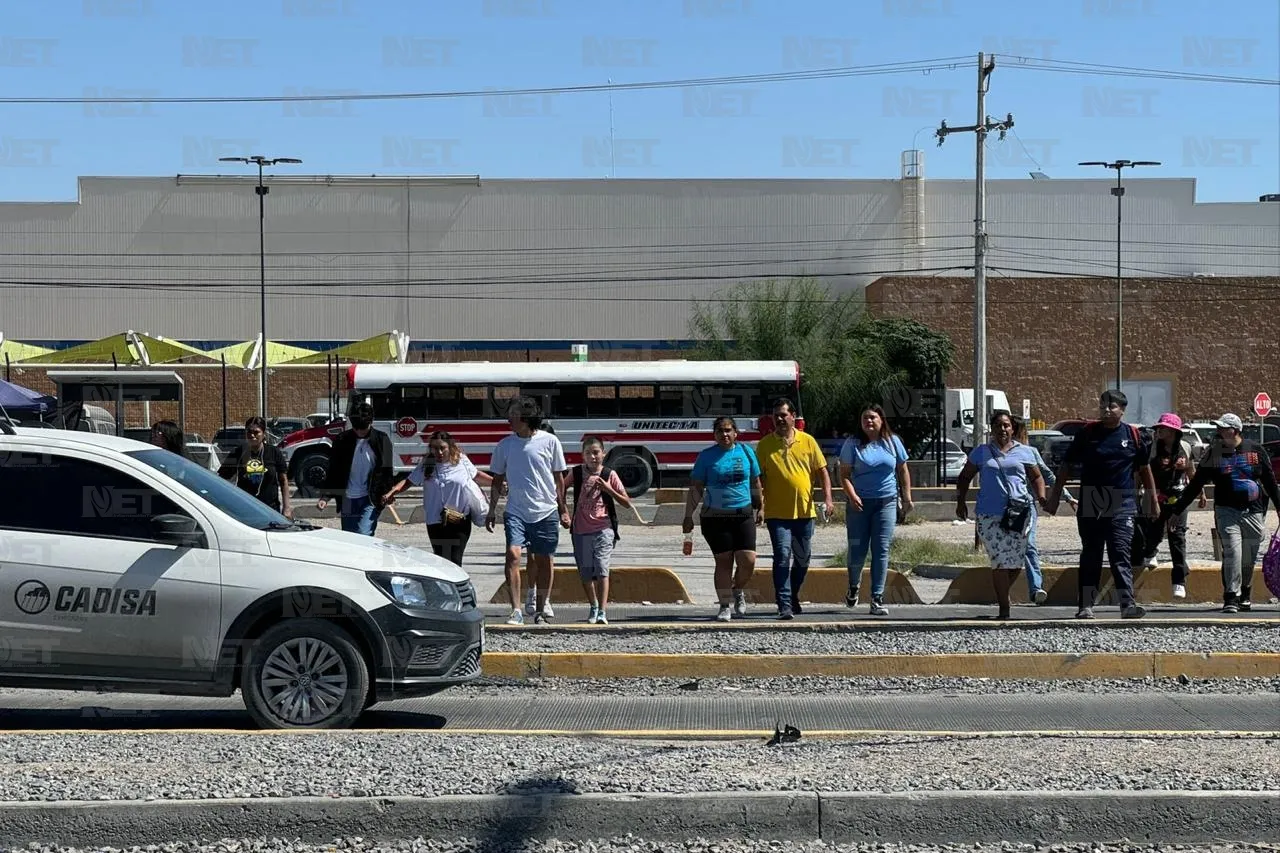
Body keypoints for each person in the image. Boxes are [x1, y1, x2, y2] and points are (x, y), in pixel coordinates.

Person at [1045, 390, 1158, 620]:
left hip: (1122, 502)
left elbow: (1145, 470)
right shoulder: (1087, 434)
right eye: (1103, 406)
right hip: (1092, 501)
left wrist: (1153, 500)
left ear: (1122, 410)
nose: (1106, 410)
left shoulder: (1133, 435)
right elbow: (1066, 466)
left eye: (1112, 407)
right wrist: (1055, 497)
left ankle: (1127, 604)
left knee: (1120, 553)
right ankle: (1085, 605)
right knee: (1091, 555)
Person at [1162, 413, 1280, 613]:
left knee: (1248, 557)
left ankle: (1245, 592)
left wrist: (1279, 506)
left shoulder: (1256, 451)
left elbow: (1269, 481)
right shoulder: (1213, 454)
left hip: (1254, 511)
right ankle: (1230, 597)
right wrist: (1177, 510)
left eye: (1222, 428)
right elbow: (1196, 484)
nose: (1218, 431)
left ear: (1234, 431)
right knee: (1233, 552)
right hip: (1227, 511)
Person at [486, 397, 570, 625]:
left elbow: (559, 479)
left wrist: (563, 509)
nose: (509, 418)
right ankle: (516, 610)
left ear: (526, 417)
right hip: (516, 511)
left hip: (545, 511)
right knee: (513, 556)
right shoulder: (505, 445)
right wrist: (492, 509)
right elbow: (496, 480)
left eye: (513, 414)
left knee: (544, 560)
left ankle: (542, 608)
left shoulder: (550, 441)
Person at [955, 411, 1046, 619]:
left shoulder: (1025, 452)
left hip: (1019, 512)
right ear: (992, 429)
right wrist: (960, 502)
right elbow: (964, 477)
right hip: (989, 514)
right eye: (998, 425)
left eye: (1006, 425)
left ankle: (1001, 595)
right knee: (999, 560)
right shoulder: (982, 452)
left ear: (1012, 429)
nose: (1002, 429)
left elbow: (1037, 477)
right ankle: (1004, 608)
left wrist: (1041, 498)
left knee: (1015, 562)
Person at [757, 397, 833, 620]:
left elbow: (822, 472)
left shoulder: (808, 441)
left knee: (802, 559)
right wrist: (759, 505)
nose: (779, 419)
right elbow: (758, 479)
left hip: (804, 513)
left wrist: (828, 499)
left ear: (793, 417)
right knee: (782, 555)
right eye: (776, 415)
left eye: (783, 415)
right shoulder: (764, 445)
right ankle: (784, 603)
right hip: (776, 514)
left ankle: (793, 595)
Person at [683, 416, 763, 622]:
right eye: (720, 431)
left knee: (748, 560)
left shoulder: (746, 452)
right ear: (715, 435)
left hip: (742, 513)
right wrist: (688, 515)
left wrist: (761, 506)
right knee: (724, 562)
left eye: (728, 430)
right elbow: (696, 488)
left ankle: (738, 590)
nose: (724, 434)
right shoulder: (706, 457)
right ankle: (725, 605)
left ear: (735, 432)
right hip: (715, 516)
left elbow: (755, 481)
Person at [838, 405, 912, 617]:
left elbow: (903, 469)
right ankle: (853, 586)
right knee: (857, 551)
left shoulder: (892, 442)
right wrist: (852, 496)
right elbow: (843, 475)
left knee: (881, 549)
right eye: (864, 418)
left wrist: (907, 496)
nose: (868, 421)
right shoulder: (853, 444)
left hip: (886, 502)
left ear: (881, 419)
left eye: (872, 417)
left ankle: (877, 598)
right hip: (859, 504)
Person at [382, 431, 491, 565]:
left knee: (455, 560)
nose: (439, 452)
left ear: (450, 447)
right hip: (435, 521)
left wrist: (497, 483)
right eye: (434, 448)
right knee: (441, 561)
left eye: (442, 448)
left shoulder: (461, 461)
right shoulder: (427, 464)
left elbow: (477, 475)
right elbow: (409, 481)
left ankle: (457, 586)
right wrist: (392, 492)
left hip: (458, 519)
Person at [1133, 412, 1204, 599]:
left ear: (1173, 431)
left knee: (1177, 536)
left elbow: (1192, 471)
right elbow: (1141, 473)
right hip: (1154, 496)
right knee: (1153, 530)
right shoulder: (1151, 449)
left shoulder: (1185, 448)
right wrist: (1136, 493)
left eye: (1163, 428)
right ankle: (1150, 551)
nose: (1159, 431)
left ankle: (1179, 581)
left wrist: (1201, 493)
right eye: (1158, 428)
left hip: (1178, 498)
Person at [570, 436, 631, 625]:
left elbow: (627, 502)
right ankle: (593, 605)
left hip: (604, 528)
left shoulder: (609, 474)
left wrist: (608, 489)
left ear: (603, 454)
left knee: (602, 569)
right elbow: (559, 488)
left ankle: (603, 611)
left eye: (596, 452)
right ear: (582, 456)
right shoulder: (577, 473)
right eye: (588, 453)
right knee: (586, 572)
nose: (592, 457)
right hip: (580, 529)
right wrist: (562, 510)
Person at [1018, 422, 1077, 605]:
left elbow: (1047, 475)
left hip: (1025, 507)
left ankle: (1036, 589)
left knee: (1029, 545)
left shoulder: (1029, 453)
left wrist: (1067, 497)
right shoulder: (994, 452)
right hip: (999, 508)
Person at [317, 401, 395, 536]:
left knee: (363, 533)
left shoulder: (382, 440)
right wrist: (325, 496)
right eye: (356, 427)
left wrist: (388, 493)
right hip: (348, 498)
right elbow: (334, 471)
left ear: (371, 422)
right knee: (350, 538)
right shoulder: (342, 440)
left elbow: (387, 470)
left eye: (362, 427)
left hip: (370, 497)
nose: (359, 431)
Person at [219, 416, 292, 517]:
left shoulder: (274, 452)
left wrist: (287, 508)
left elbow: (283, 481)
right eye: (249, 432)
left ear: (263, 434)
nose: (252, 435)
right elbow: (221, 479)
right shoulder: (238, 452)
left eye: (256, 432)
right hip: (245, 508)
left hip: (270, 509)